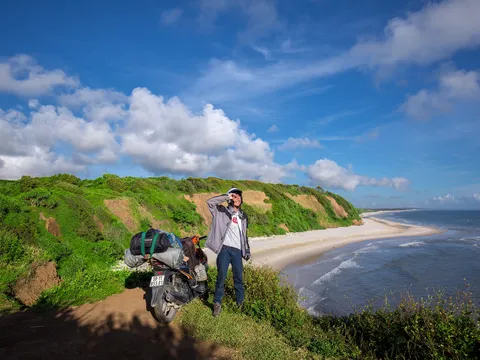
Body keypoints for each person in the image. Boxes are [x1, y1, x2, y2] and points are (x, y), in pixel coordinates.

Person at [205, 187, 251, 317]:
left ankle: (240, 304)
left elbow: (244, 235)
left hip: (237, 251)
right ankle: (217, 304)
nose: (237, 198)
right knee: (221, 277)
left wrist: (246, 250)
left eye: (239, 196)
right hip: (225, 248)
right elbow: (210, 202)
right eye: (234, 196)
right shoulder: (221, 211)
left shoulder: (243, 216)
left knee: (239, 278)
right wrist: (227, 196)